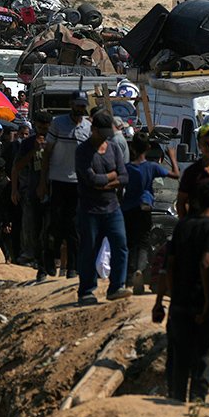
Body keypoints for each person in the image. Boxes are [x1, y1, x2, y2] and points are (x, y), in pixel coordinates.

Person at [154, 178, 209, 403]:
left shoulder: (182, 226)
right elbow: (206, 263)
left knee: (178, 358)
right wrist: (207, 302)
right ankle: (196, 402)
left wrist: (160, 302)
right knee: (205, 354)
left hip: (180, 303)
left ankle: (176, 399)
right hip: (201, 304)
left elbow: (168, 266)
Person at [74, 111, 131, 305]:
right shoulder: (83, 151)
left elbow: (124, 177)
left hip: (112, 207)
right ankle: (86, 291)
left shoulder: (114, 148)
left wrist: (104, 183)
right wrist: (111, 176)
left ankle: (116, 286)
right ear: (94, 129)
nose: (106, 136)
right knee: (89, 249)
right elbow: (90, 180)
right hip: (90, 209)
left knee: (120, 245)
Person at [40, 95, 91, 282]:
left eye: (82, 106)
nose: (80, 109)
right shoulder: (58, 124)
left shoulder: (87, 127)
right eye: (77, 105)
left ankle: (72, 267)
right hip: (58, 180)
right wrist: (43, 182)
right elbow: (47, 153)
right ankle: (50, 260)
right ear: (71, 105)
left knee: (74, 228)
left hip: (78, 183)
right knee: (55, 225)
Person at [122, 133, 178, 285]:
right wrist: (172, 156)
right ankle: (140, 271)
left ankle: (128, 276)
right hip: (145, 208)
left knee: (130, 243)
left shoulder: (127, 168)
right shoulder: (152, 167)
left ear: (132, 148)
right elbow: (175, 174)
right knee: (143, 243)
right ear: (148, 148)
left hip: (129, 209)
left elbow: (119, 186)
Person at [12, 116, 50, 267]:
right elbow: (17, 167)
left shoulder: (55, 142)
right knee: (29, 223)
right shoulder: (28, 143)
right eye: (40, 127)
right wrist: (14, 190)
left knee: (49, 225)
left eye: (45, 127)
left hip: (52, 188)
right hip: (31, 189)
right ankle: (29, 255)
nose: (42, 131)